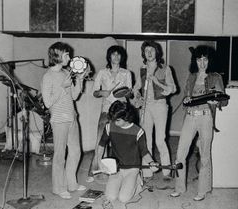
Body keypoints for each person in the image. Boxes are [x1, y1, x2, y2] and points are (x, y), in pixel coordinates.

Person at [170, 45, 228, 201]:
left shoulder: (215, 77)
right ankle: (179, 188)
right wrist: (186, 100)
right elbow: (184, 100)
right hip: (190, 117)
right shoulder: (192, 76)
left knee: (205, 155)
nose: (202, 63)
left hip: (206, 117)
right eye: (199, 59)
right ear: (195, 61)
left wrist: (215, 101)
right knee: (181, 153)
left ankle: (202, 190)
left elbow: (223, 101)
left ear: (210, 60)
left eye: (205, 59)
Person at [41, 42, 87, 199]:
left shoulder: (65, 72)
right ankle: (58, 188)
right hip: (59, 120)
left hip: (72, 117)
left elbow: (74, 96)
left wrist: (80, 79)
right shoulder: (48, 77)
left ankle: (71, 184)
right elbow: (47, 103)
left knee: (75, 152)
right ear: (58, 56)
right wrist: (62, 87)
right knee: (60, 155)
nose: (69, 57)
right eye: (66, 54)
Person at [96, 101, 158, 208]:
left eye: (118, 120)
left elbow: (144, 151)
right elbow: (101, 145)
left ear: (126, 118)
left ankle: (138, 182)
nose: (114, 122)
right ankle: (124, 183)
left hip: (132, 168)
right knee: (110, 196)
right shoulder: (109, 127)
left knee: (123, 198)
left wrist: (151, 163)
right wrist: (99, 161)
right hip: (116, 168)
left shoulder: (138, 131)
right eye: (113, 119)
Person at [87, 45, 132, 183]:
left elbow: (129, 93)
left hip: (121, 112)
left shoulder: (126, 73)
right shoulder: (102, 72)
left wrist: (125, 93)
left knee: (121, 143)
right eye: (113, 54)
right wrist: (102, 92)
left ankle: (121, 173)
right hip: (106, 111)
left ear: (121, 57)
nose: (116, 57)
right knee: (100, 142)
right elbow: (94, 92)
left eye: (119, 55)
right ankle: (93, 171)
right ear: (109, 56)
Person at [132, 40, 176, 180]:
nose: (149, 53)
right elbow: (136, 88)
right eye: (146, 51)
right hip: (146, 106)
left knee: (160, 140)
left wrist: (156, 81)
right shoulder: (142, 69)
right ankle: (147, 172)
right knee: (146, 140)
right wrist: (137, 96)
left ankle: (167, 171)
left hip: (160, 105)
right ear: (143, 54)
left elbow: (172, 89)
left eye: (152, 50)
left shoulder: (165, 68)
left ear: (157, 52)